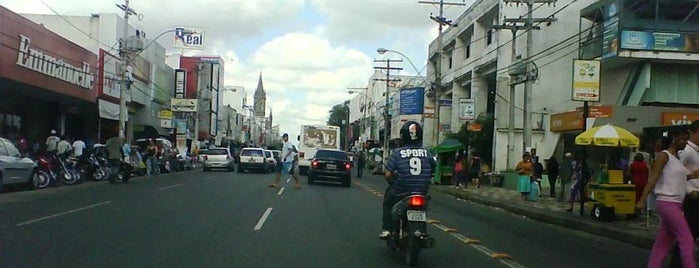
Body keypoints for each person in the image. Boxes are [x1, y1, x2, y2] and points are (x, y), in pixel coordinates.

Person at [637, 127, 698, 268]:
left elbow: (677, 178)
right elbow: (653, 179)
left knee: (663, 242)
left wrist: (692, 175)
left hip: (675, 203)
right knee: (687, 239)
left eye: (686, 139)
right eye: (683, 139)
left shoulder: (677, 158)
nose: (685, 142)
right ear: (674, 139)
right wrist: (641, 201)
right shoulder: (664, 156)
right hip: (667, 201)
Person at [379, 121, 435, 239]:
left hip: (401, 191)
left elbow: (388, 174)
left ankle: (387, 229)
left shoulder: (398, 153)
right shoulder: (428, 154)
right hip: (421, 191)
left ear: (403, 136)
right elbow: (433, 171)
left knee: (388, 201)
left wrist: (393, 184)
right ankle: (422, 232)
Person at [669, 121, 699, 268]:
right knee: (688, 236)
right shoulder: (686, 151)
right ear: (693, 132)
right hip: (692, 199)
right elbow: (676, 173)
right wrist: (689, 190)